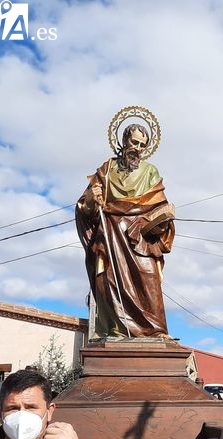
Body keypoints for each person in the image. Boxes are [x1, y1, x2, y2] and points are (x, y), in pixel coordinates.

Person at [76, 122, 175, 338]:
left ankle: (155, 330)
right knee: (108, 281)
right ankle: (117, 330)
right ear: (123, 141)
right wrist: (93, 199)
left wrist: (160, 221)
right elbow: (86, 207)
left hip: (140, 237)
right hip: (110, 235)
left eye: (142, 145)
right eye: (134, 142)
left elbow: (158, 205)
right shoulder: (106, 170)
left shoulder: (150, 172)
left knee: (149, 279)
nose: (137, 148)